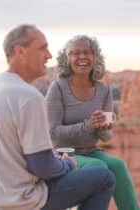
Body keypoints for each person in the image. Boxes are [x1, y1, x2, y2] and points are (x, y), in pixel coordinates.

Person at [0, 25, 115, 210]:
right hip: (15, 202)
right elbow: (41, 167)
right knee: (103, 178)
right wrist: (67, 164)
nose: (49, 55)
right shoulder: (29, 97)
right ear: (20, 51)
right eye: (42, 48)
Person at [46, 35, 139, 210]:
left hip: (90, 151)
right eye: (75, 53)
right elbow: (53, 132)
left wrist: (103, 128)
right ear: (67, 59)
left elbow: (106, 136)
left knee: (118, 165)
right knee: (99, 167)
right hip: (62, 154)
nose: (82, 57)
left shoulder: (103, 90)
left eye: (87, 52)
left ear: (95, 57)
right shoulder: (58, 88)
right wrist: (88, 125)